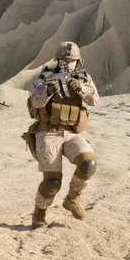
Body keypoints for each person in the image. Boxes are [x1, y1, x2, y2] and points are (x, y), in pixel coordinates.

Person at [28, 41, 99, 229]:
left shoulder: (83, 77)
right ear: (57, 60)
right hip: (48, 132)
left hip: (72, 133)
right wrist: (48, 92)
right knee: (51, 182)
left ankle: (72, 199)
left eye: (72, 61)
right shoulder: (44, 77)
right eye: (64, 60)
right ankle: (39, 213)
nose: (68, 64)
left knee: (88, 164)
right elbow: (35, 103)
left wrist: (81, 88)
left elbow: (95, 100)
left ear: (78, 61)